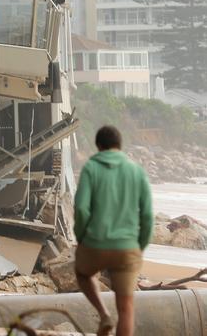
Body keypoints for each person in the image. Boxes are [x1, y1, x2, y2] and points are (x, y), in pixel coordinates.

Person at [74, 126, 153, 336]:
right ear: (120, 145)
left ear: (98, 146)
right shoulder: (136, 171)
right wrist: (140, 245)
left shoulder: (91, 167)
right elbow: (147, 216)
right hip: (127, 247)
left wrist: (81, 237)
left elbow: (81, 208)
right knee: (126, 309)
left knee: (83, 273)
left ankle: (103, 313)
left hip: (94, 244)